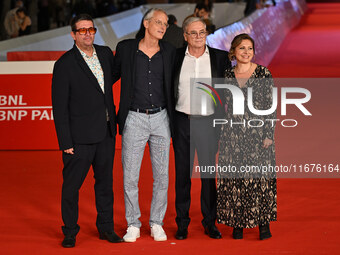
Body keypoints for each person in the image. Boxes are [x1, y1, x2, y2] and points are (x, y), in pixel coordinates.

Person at [51, 13, 123, 248]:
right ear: (73, 34)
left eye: (90, 29)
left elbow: (105, 86)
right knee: (71, 188)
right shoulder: (64, 64)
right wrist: (65, 141)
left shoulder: (105, 54)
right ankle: (70, 231)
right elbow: (59, 106)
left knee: (105, 185)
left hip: (105, 133)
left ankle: (106, 228)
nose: (87, 34)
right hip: (79, 138)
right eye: (82, 30)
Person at [112, 8, 176, 242]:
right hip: (134, 118)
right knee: (130, 176)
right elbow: (110, 76)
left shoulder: (169, 51)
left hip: (161, 118)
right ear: (146, 23)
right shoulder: (126, 48)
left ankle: (157, 222)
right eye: (159, 22)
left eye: (166, 23)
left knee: (162, 176)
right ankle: (133, 223)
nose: (163, 26)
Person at [172, 17, 230, 240]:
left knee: (208, 176)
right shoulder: (175, 57)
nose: (199, 36)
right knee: (182, 176)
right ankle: (182, 223)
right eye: (193, 33)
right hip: (182, 122)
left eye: (202, 32)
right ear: (185, 35)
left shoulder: (219, 57)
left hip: (208, 123)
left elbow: (227, 92)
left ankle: (210, 222)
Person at [216, 33, 277, 240]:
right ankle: (237, 224)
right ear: (234, 51)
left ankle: (263, 224)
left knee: (259, 180)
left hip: (258, 133)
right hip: (232, 134)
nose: (246, 52)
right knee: (235, 179)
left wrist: (268, 134)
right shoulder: (227, 75)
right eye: (242, 48)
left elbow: (270, 106)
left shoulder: (263, 73)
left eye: (250, 48)